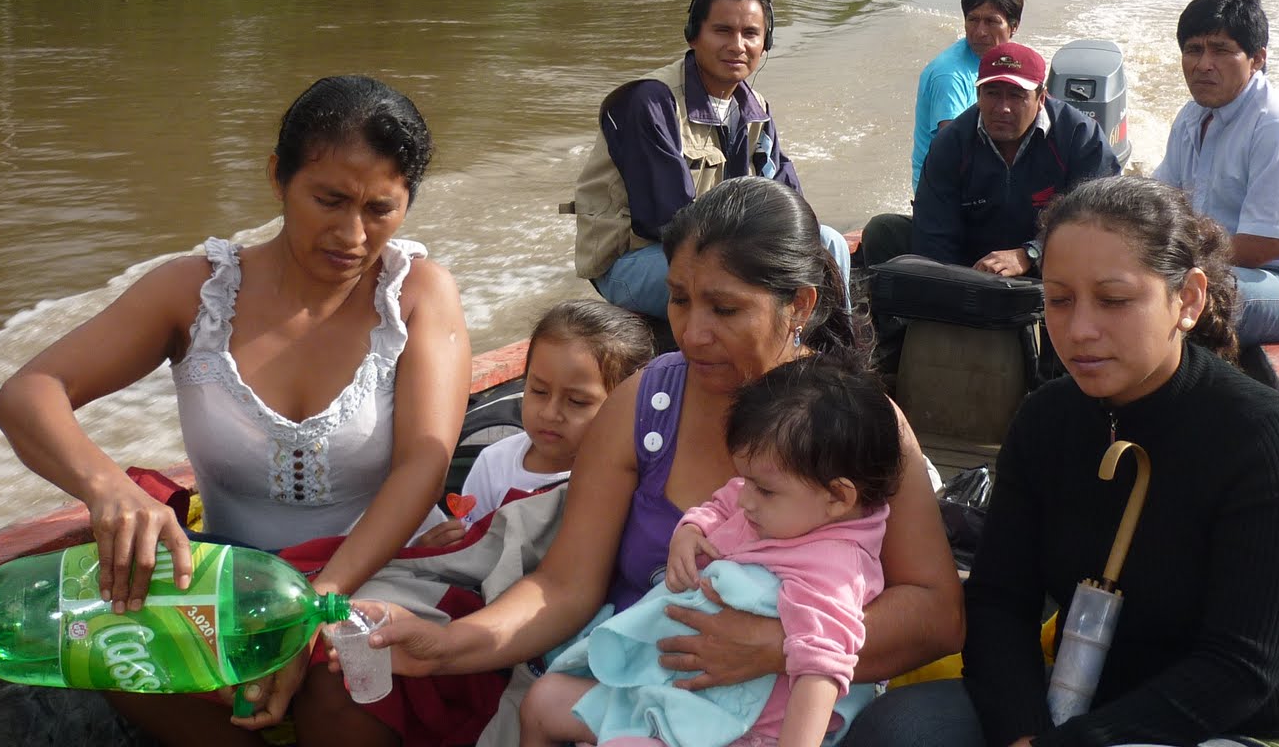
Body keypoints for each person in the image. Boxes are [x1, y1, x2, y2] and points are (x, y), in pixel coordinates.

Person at [367, 177, 964, 747]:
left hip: (776, 713)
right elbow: (564, 586)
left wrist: (772, 645)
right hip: (629, 686)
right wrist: (450, 645)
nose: (691, 334)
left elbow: (936, 611)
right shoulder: (646, 404)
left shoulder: (864, 428)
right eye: (678, 300)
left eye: (724, 310)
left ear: (799, 305)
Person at [0, 75, 472, 746]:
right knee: (108, 635)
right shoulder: (193, 291)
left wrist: (314, 610)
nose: (352, 234)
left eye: (381, 209)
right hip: (237, 581)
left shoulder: (418, 294)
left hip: (383, 572)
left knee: (342, 677)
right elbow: (26, 394)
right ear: (278, 177)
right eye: (328, 199)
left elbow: (425, 462)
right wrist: (108, 488)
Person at [844, 175, 1279, 747]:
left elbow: (1239, 669)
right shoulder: (1046, 421)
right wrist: (1022, 732)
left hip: (1250, 727)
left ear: (1187, 300)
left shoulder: (1264, 442)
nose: (1079, 329)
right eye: (1059, 300)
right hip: (1083, 699)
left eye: (1113, 300)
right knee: (897, 730)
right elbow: (1000, 604)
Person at [518, 354, 901, 747]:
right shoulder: (782, 503)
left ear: (838, 496)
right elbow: (722, 502)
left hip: (738, 728)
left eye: (764, 490)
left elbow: (819, 672)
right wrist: (691, 529)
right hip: (677, 696)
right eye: (745, 479)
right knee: (542, 702)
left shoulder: (832, 569)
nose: (747, 500)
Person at [571, 0, 853, 320]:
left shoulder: (755, 109)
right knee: (747, 281)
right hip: (638, 262)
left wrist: (798, 242)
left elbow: (787, 200)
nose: (737, 45)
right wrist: (760, 252)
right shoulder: (650, 102)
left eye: (751, 33)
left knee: (828, 243)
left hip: (725, 246)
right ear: (693, 36)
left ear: (765, 44)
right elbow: (668, 221)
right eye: (722, 31)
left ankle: (839, 352)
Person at [1153, 0, 1279, 344]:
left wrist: (1171, 257)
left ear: (1257, 58)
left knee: (1177, 299)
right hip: (1222, 269)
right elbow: (1162, 200)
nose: (1202, 65)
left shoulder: (1278, 125)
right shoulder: (1192, 116)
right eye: (1193, 50)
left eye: (1221, 50)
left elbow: (1265, 246)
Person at [414, 299, 654, 549]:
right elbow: (474, 549)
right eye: (539, 391)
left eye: (577, 401)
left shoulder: (634, 478)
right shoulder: (494, 463)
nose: (550, 414)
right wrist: (439, 547)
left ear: (628, 403)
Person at [860, 0, 1024, 269]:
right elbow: (958, 152)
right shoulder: (951, 75)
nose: (980, 31)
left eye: (991, 21)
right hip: (951, 198)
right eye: (972, 20)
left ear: (1013, 27)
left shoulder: (1013, 70)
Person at [912, 42, 1120, 276]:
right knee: (884, 230)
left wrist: (1032, 253)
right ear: (978, 95)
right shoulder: (950, 144)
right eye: (992, 94)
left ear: (1041, 98)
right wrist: (957, 287)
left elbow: (1101, 220)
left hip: (1058, 271)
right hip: (974, 275)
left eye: (1016, 95)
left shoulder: (1080, 137)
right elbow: (934, 234)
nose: (1003, 108)